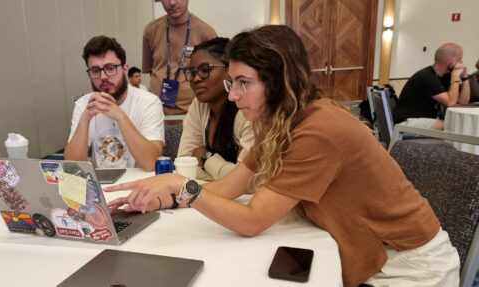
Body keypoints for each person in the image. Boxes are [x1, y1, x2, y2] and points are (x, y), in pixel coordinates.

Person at [106, 25, 459, 287]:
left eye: (243, 82)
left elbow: (251, 221)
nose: (233, 96)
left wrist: (183, 186)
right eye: (232, 82)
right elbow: (229, 188)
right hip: (373, 250)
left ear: (278, 81)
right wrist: (166, 191)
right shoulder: (281, 121)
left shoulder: (318, 130)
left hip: (409, 266)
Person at [64, 36, 164, 171]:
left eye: (110, 68)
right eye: (95, 71)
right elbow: (73, 167)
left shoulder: (149, 102)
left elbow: (151, 163)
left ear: (124, 69)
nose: (103, 76)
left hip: (140, 186)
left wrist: (120, 116)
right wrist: (85, 118)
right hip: (103, 187)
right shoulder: (83, 105)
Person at [178, 37, 253, 180]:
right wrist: (229, 171)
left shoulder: (247, 107)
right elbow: (184, 165)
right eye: (192, 72)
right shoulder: (198, 105)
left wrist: (207, 158)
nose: (196, 79)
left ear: (230, 70)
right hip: (214, 193)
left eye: (205, 70)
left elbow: (248, 180)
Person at [142, 0, 217, 115]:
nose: (172, 3)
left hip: (193, 114)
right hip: (156, 113)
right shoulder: (151, 30)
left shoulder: (206, 33)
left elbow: (214, 77)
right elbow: (150, 70)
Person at [392, 42, 470, 130]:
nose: (461, 62)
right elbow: (450, 103)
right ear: (448, 60)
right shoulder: (427, 76)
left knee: (459, 125)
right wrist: (455, 77)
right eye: (459, 59)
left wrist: (465, 79)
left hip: (425, 119)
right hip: (407, 121)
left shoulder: (445, 76)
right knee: (453, 126)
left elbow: (463, 103)